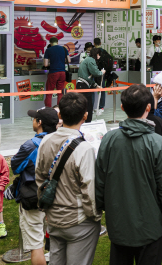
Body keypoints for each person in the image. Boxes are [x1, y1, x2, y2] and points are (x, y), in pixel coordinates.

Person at [96, 84, 162, 264]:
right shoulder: (153, 142)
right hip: (146, 226)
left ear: (122, 108)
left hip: (124, 223)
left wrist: (103, 206)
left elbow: (99, 182)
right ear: (148, 108)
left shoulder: (111, 139)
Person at [35, 92, 102, 265]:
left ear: (59, 115)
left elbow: (40, 177)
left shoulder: (45, 141)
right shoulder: (85, 148)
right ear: (85, 116)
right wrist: (94, 216)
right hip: (78, 220)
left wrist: (46, 208)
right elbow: (88, 188)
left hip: (54, 217)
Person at [11, 107, 59, 265]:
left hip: (35, 197)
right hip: (60, 196)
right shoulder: (64, 140)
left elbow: (16, 167)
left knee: (36, 245)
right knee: (59, 242)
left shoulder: (31, 145)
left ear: (39, 123)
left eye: (34, 118)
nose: (32, 121)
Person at [76, 47, 104, 122]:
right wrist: (101, 72)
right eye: (99, 55)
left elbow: (89, 78)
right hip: (83, 85)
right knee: (88, 106)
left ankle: (84, 121)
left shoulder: (88, 59)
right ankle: (88, 123)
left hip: (82, 84)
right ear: (97, 54)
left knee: (85, 105)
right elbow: (95, 72)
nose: (99, 57)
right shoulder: (91, 60)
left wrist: (96, 86)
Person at [43, 36, 69, 108]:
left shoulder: (48, 50)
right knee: (60, 92)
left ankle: (48, 109)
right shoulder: (64, 49)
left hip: (53, 72)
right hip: (62, 73)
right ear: (57, 42)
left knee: (49, 92)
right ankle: (59, 109)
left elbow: (45, 64)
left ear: (50, 43)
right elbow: (69, 60)